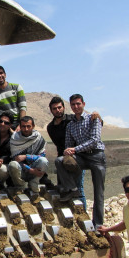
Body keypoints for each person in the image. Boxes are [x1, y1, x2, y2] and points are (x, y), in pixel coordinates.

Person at [57, 94, 106, 227]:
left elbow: (94, 140)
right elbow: (68, 143)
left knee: (98, 193)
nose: (76, 107)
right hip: (81, 157)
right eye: (73, 104)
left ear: (84, 104)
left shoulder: (93, 118)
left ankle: (98, 224)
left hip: (96, 156)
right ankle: (72, 188)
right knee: (60, 161)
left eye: (78, 104)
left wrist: (75, 149)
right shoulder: (70, 125)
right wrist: (67, 151)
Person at [46, 96, 101, 209]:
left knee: (78, 188)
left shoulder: (72, 119)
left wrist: (97, 115)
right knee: (64, 189)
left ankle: (82, 215)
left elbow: (92, 124)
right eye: (55, 108)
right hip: (61, 160)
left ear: (64, 107)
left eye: (60, 107)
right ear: (51, 110)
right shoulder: (50, 127)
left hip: (77, 158)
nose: (58, 110)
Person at [8, 116, 48, 192]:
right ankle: (21, 186)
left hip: (35, 169)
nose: (26, 129)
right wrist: (30, 170)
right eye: (23, 126)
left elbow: (42, 156)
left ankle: (34, 183)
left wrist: (26, 156)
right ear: (20, 126)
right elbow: (16, 158)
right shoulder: (15, 138)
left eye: (28, 126)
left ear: (33, 126)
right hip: (22, 170)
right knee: (13, 164)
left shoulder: (38, 138)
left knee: (44, 161)